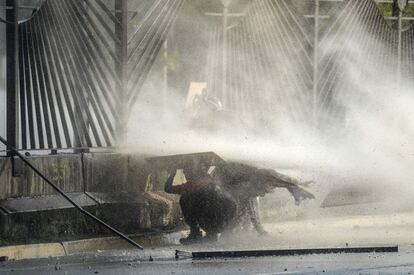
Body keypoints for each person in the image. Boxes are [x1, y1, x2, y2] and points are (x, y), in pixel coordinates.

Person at [164, 162, 237, 244]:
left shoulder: (192, 186)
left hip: (209, 221)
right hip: (223, 223)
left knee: (185, 198)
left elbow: (167, 188)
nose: (185, 175)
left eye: (186, 172)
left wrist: (173, 172)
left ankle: (195, 233)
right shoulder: (215, 183)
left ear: (193, 174)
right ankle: (211, 235)